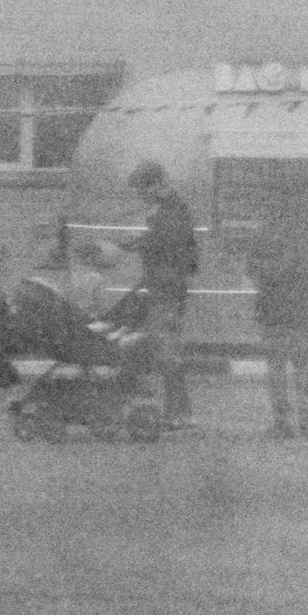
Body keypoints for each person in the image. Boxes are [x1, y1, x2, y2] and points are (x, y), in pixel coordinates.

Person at [247, 182, 308, 438]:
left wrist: (270, 277)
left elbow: (252, 268)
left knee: (277, 368)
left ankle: (282, 423)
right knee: (304, 368)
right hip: (304, 308)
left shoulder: (265, 233)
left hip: (273, 308)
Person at [125, 159, 199, 429]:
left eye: (143, 190)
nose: (141, 197)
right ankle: (179, 412)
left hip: (167, 290)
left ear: (156, 184)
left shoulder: (172, 211)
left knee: (168, 352)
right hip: (163, 287)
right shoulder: (169, 209)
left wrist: (131, 245)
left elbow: (162, 244)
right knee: (166, 350)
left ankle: (178, 414)